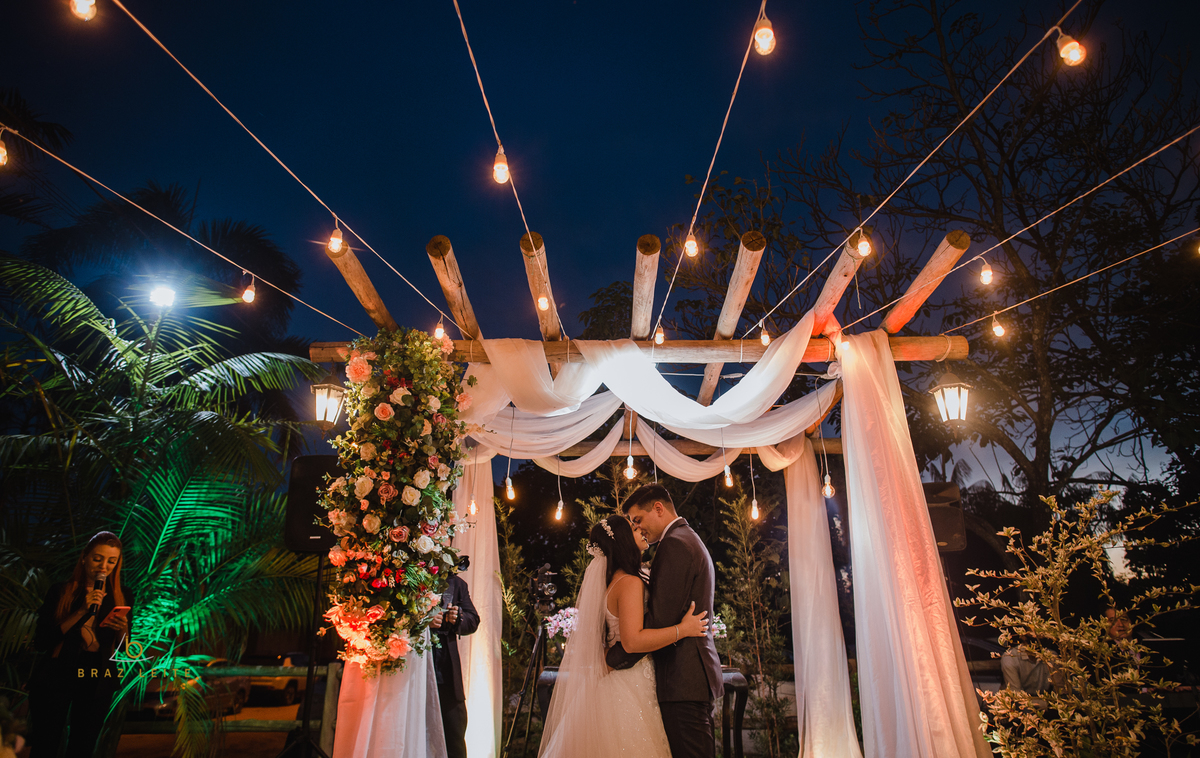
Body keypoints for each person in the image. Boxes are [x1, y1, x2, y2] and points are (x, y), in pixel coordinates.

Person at [538, 513, 709, 758]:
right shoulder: (628, 582)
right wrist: (683, 630)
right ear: (622, 540)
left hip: (624, 678)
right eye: (633, 527)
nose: (640, 529)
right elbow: (632, 641)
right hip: (630, 682)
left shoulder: (620, 579)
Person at [607, 484, 724, 758]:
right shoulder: (687, 538)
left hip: (681, 679)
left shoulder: (675, 544)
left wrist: (612, 657)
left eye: (638, 520)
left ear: (658, 508)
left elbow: (659, 620)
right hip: (689, 677)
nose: (638, 529)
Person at [29, 532, 133, 757]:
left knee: (83, 746)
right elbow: (42, 641)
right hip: (59, 672)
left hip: (98, 674)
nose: (103, 566)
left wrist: (122, 627)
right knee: (45, 743)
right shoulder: (61, 591)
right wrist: (81, 612)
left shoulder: (122, 595)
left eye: (111, 561)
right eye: (98, 558)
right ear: (84, 557)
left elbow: (124, 648)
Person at [430, 571, 480, 758]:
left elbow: (473, 620)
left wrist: (458, 617)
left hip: (447, 672)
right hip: (415, 672)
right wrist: (425, 622)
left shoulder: (456, 583)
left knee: (454, 737)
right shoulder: (411, 575)